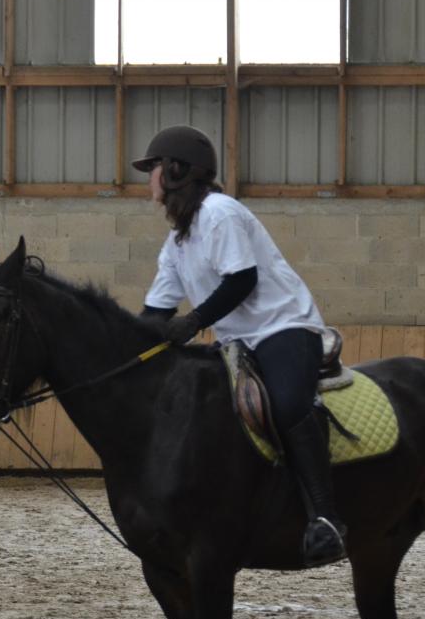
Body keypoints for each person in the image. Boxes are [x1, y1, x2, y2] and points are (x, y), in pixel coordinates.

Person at [132, 125, 345, 567]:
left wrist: (192, 321)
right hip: (234, 342)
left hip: (283, 327)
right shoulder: (177, 242)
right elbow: (155, 313)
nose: (148, 178)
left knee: (287, 404)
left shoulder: (220, 213)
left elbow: (242, 279)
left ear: (175, 170)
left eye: (152, 168)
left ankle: (325, 518)